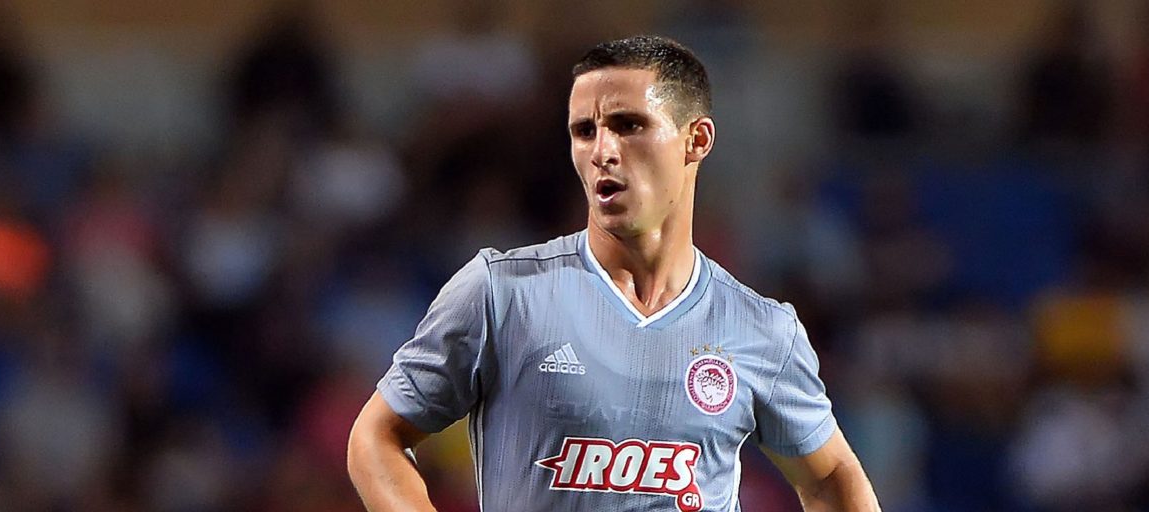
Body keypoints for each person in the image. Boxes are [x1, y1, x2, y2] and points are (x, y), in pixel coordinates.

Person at [347, 35, 880, 512]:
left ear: (696, 140)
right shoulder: (501, 294)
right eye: (584, 131)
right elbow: (377, 436)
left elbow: (830, 476)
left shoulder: (761, 328)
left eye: (629, 125)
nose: (602, 150)